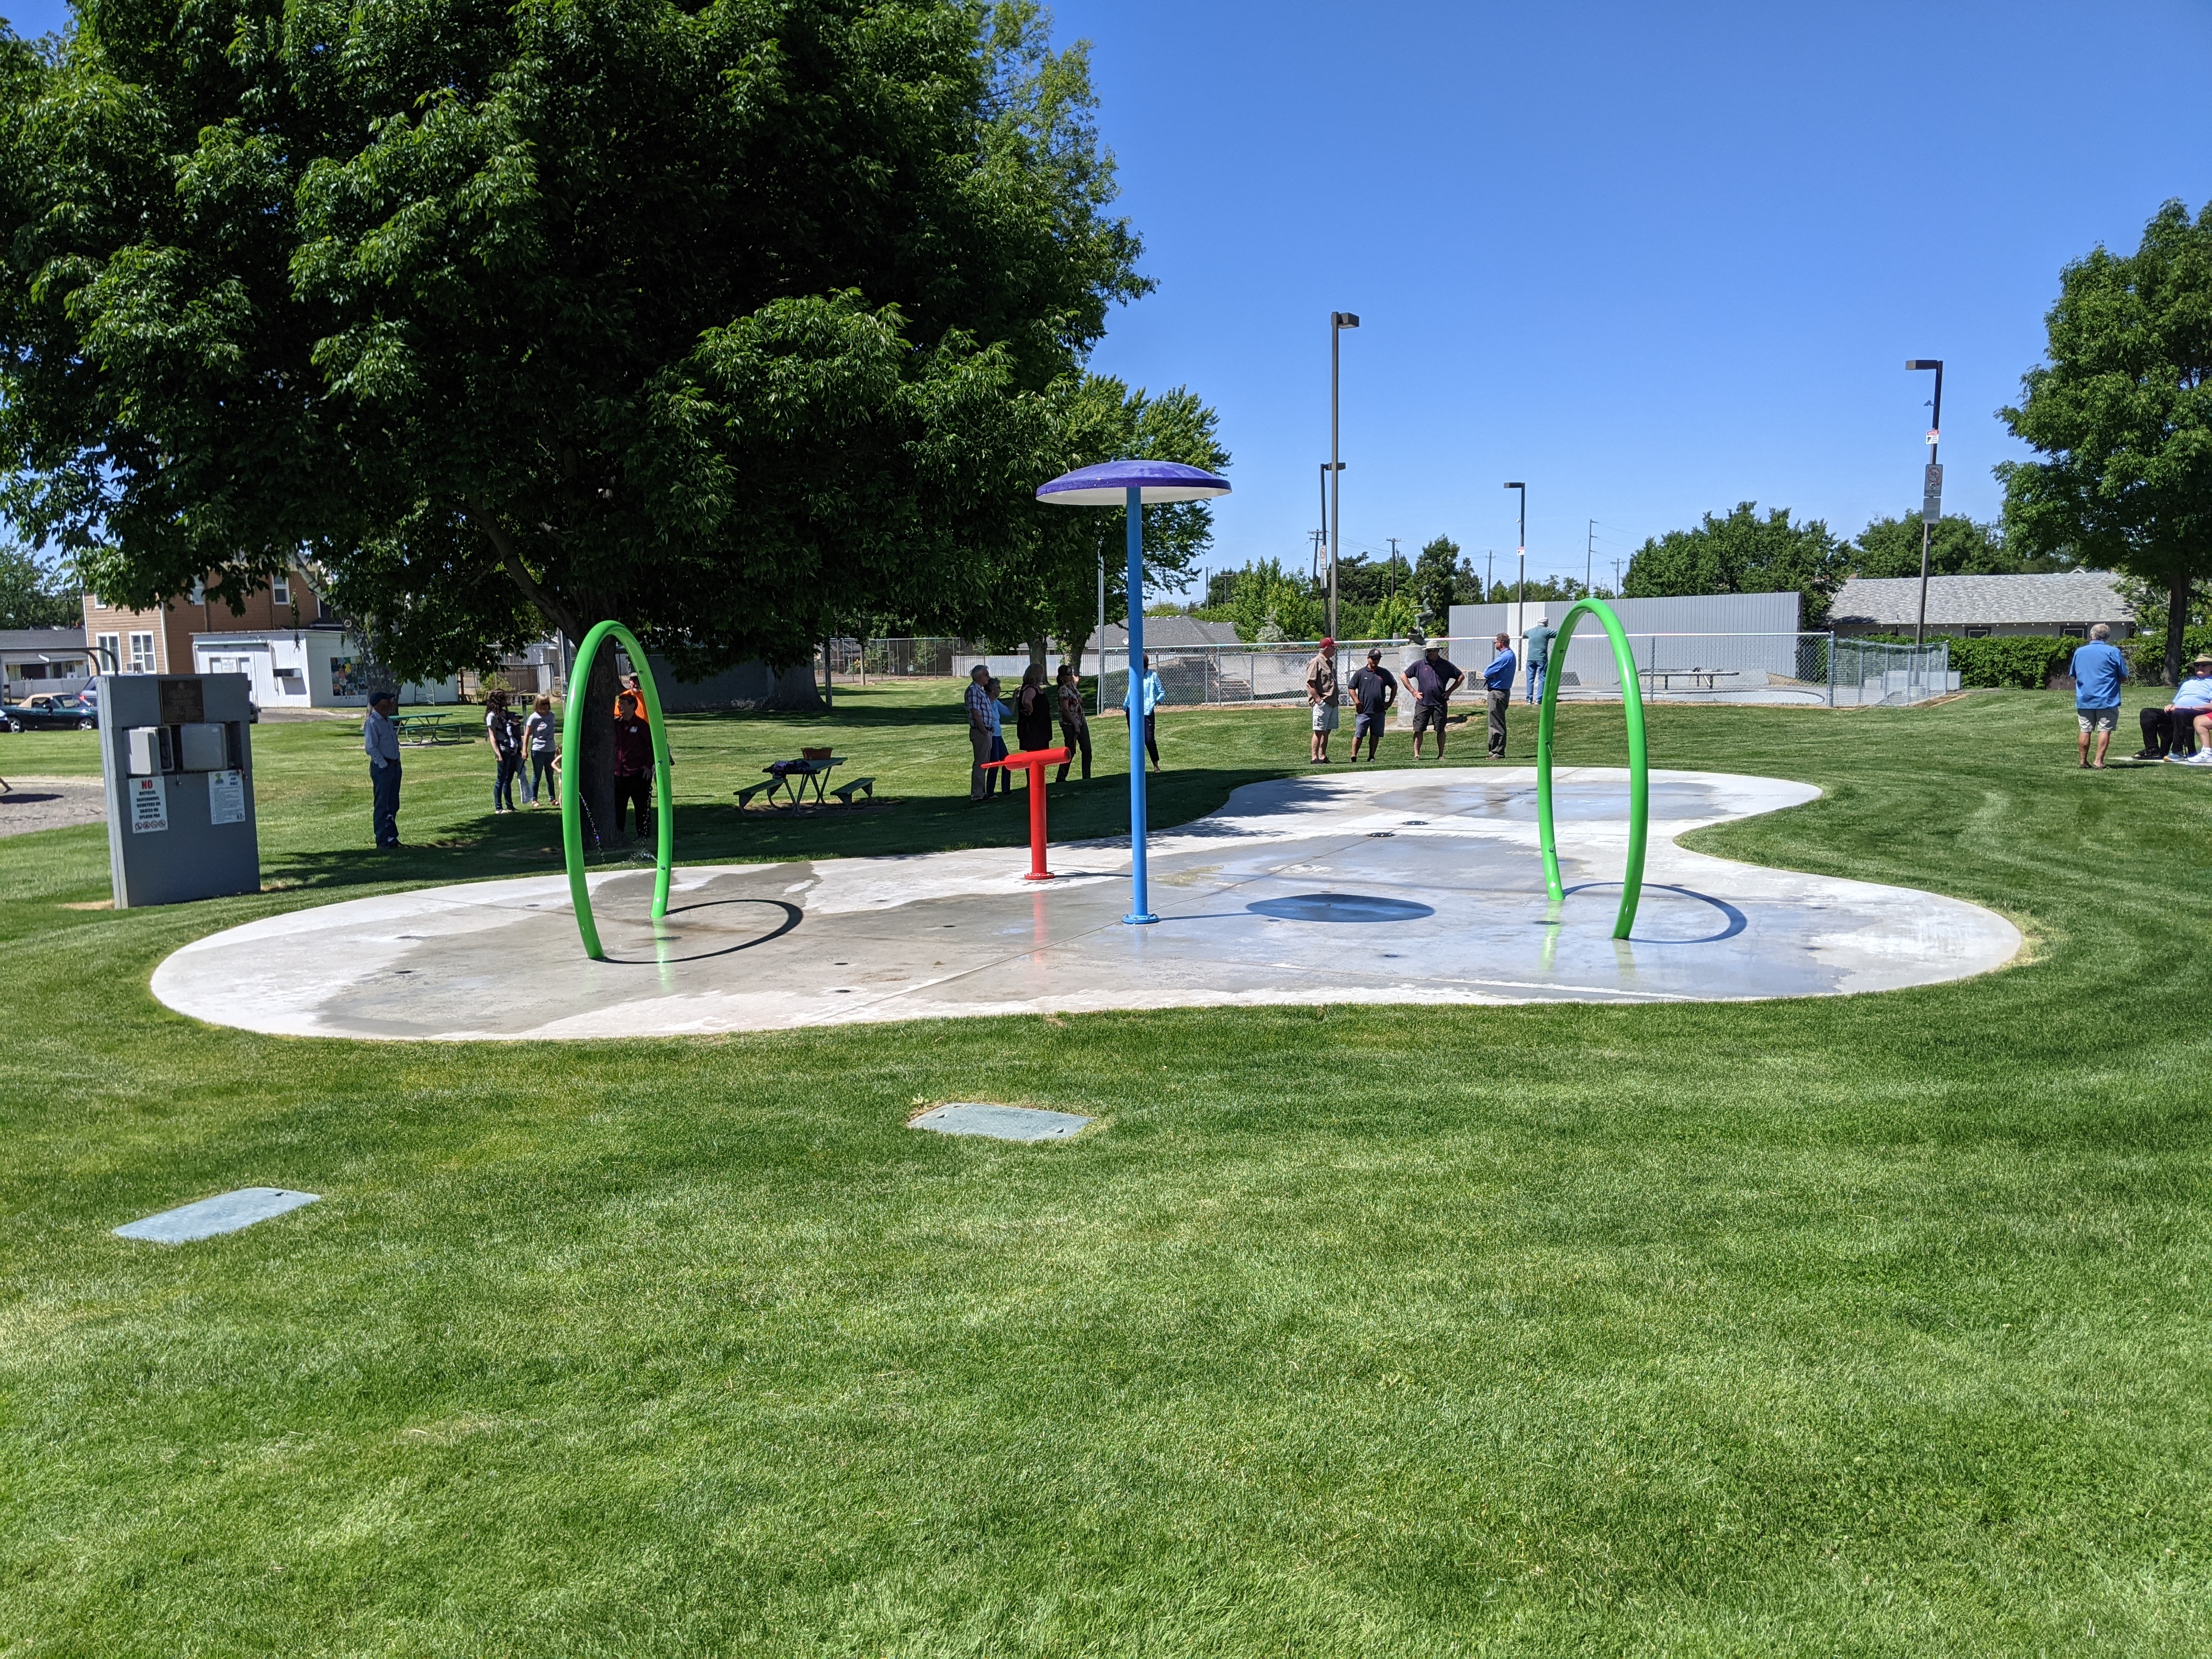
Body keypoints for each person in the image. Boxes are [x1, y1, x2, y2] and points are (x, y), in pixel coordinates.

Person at [2070, 622, 2130, 770]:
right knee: (2104, 729)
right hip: (2107, 698)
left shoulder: (2079, 652)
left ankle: (2083, 761)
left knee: (2085, 729)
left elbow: (2074, 675)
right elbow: (2123, 675)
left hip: (2085, 698)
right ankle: (2098, 761)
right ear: (2107, 637)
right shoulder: (2113, 652)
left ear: (2091, 635)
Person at [2136, 653, 2212, 760]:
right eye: (2197, 665)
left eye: (2204, 665)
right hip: (2179, 712)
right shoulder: (2188, 683)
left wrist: (2189, 708)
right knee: (2147, 713)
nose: (2200, 667)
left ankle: (2177, 752)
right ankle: (2152, 749)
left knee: (2179, 712)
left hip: (2197, 713)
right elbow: (2177, 703)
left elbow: (2211, 706)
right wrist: (2171, 706)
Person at [1403, 639, 1463, 759]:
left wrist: (1450, 691)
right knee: (1419, 728)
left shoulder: (1446, 665)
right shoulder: (1420, 664)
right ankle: (1417, 754)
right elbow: (1404, 676)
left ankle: (1441, 754)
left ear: (1438, 651)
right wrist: (1414, 692)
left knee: (1440, 729)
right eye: (1429, 651)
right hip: (1423, 703)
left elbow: (1460, 676)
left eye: (1433, 651)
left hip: (1439, 702)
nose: (1431, 653)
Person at [612, 686, 654, 837]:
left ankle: (644, 835)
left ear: (632, 706)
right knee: (618, 807)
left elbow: (651, 747)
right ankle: (618, 834)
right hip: (620, 774)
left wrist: (649, 766)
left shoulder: (641, 726)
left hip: (638, 774)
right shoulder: (616, 725)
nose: (619, 706)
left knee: (642, 807)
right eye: (619, 703)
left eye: (623, 703)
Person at [364, 689, 402, 848]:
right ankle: (382, 839)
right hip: (383, 768)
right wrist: (384, 765)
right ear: (380, 705)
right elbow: (371, 748)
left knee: (393, 803)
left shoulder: (388, 721)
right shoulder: (373, 723)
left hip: (394, 766)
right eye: (388, 702)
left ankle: (392, 837)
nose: (391, 704)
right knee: (382, 804)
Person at [1347, 647, 1397, 761]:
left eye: (1378, 659)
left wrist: (1390, 702)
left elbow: (1394, 685)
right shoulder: (1360, 673)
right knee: (1359, 735)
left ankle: (1371, 756)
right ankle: (1354, 756)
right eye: (1373, 658)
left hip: (1379, 711)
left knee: (1375, 735)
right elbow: (1351, 688)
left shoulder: (1384, 673)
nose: (1376, 661)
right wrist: (1356, 701)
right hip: (1364, 711)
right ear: (1368, 658)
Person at [1125, 653, 1164, 770]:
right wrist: (1126, 705)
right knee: (1135, 739)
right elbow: (1130, 691)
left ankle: (1156, 765)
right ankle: (1137, 767)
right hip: (1132, 710)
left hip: (1147, 712)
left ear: (1144, 664)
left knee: (1149, 739)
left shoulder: (1153, 676)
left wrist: (1155, 703)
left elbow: (1161, 693)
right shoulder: (1133, 675)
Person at [485, 689, 522, 813]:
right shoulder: (492, 717)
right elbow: (492, 737)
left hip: (510, 748)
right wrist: (498, 753)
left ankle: (510, 806)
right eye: (504, 699)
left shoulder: (504, 714)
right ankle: (498, 808)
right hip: (502, 749)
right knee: (501, 779)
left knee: (508, 778)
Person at [1305, 636, 1341, 762]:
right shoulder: (1316, 662)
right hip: (1322, 702)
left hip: (1332, 701)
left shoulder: (1329, 662)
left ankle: (1322, 756)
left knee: (1327, 731)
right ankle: (1314, 758)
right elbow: (1310, 683)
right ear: (1326, 648)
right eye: (1333, 647)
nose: (1335, 650)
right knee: (1319, 730)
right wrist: (1318, 700)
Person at [1054, 662, 1092, 782]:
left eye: (1072, 673)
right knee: (1070, 751)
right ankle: (1061, 778)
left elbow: (1077, 696)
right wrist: (1075, 725)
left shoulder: (1072, 687)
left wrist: (1076, 682)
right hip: (1070, 725)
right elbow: (1065, 710)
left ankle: (1086, 777)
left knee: (1087, 750)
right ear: (1062, 677)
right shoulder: (1063, 691)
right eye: (1068, 674)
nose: (1071, 676)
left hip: (1082, 722)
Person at [1483, 631, 1517, 759]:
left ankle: (1498, 752)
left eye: (1496, 641)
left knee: (1497, 723)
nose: (1495, 644)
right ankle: (1493, 751)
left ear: (1501, 643)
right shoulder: (1507, 655)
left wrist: (1493, 674)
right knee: (1494, 723)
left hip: (1498, 693)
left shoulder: (1505, 657)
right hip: (1498, 692)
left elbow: (1487, 672)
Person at [522, 693, 560, 805]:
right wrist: (525, 751)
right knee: (537, 775)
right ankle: (534, 799)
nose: (546, 706)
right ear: (538, 704)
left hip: (550, 750)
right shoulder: (534, 717)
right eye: (543, 704)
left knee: (550, 775)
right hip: (538, 750)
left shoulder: (552, 716)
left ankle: (552, 798)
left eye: (547, 703)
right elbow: (527, 734)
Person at [965, 664, 995, 802]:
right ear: (978, 676)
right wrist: (983, 729)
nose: (988, 678)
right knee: (981, 763)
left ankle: (981, 792)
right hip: (980, 732)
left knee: (985, 762)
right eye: (986, 675)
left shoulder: (981, 691)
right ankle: (977, 795)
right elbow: (975, 712)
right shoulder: (973, 691)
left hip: (987, 731)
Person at [1015, 662, 1056, 759]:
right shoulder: (1030, 688)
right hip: (1034, 729)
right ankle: (1033, 775)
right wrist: (1031, 710)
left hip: (1040, 728)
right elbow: (1026, 701)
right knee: (1034, 757)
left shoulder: (1035, 687)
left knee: (1042, 757)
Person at [985, 676, 1012, 795]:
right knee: (995, 763)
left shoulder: (996, 702)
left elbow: (1008, 712)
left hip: (998, 736)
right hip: (991, 736)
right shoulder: (986, 702)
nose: (1000, 689)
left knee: (1007, 761)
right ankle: (990, 791)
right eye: (998, 687)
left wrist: (1015, 699)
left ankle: (1006, 789)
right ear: (992, 689)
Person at [1525, 616, 1557, 706]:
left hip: (1530, 658)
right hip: (1541, 658)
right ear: (1546, 624)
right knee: (1542, 679)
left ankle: (1529, 700)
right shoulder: (1547, 631)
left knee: (1530, 679)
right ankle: (1539, 700)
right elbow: (1559, 633)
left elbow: (1524, 633)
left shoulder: (1531, 631)